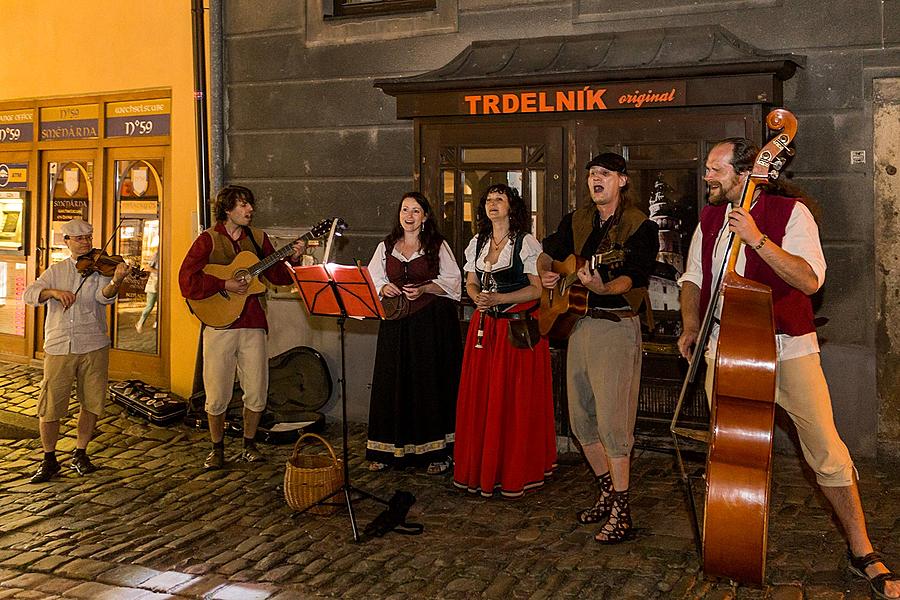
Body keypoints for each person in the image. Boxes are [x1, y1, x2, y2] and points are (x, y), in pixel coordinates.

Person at [677, 137, 898, 599]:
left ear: (746, 172)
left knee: (826, 450)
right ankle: (732, 544)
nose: (707, 178)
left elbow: (810, 278)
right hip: (726, 348)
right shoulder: (710, 218)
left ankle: (862, 551)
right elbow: (693, 278)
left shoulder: (790, 214)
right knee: (732, 455)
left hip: (788, 348)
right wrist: (691, 324)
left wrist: (757, 239)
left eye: (715, 170)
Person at [538, 152, 659, 543]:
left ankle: (622, 509)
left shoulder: (641, 227)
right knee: (581, 420)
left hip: (616, 326)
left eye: (604, 174)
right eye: (592, 174)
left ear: (622, 181)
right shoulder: (577, 219)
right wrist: (546, 271)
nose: (596, 180)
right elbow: (549, 251)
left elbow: (634, 278)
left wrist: (602, 287)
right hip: (577, 324)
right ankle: (607, 490)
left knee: (613, 424)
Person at [179, 185, 304, 470]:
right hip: (219, 324)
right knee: (217, 389)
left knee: (257, 388)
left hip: (253, 322)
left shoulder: (259, 239)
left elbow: (277, 275)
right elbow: (186, 280)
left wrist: (293, 258)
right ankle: (217, 448)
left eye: (250, 205)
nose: (249, 210)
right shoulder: (208, 241)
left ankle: (249, 445)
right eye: (243, 205)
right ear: (227, 209)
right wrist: (224, 283)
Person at [453, 183, 556, 498]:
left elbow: (538, 289)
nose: (492, 204)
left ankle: (513, 469)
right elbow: (470, 281)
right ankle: (482, 466)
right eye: (488, 199)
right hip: (485, 330)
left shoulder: (526, 243)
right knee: (482, 397)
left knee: (512, 399)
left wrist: (499, 297)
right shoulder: (478, 241)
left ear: (512, 207)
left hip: (515, 331)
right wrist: (478, 298)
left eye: (500, 199)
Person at [23, 218, 130, 483]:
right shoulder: (56, 270)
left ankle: (80, 453)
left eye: (89, 237)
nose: (86, 243)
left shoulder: (99, 269)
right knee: (51, 405)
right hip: (60, 344)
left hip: (93, 342)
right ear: (66, 241)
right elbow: (29, 294)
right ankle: (49, 458)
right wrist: (53, 293)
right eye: (79, 238)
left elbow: (103, 297)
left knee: (91, 401)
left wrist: (116, 281)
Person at [365, 192, 463, 474]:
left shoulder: (436, 246)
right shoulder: (386, 246)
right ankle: (387, 450)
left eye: (416, 211)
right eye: (405, 209)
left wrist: (424, 288)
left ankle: (436, 452)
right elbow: (373, 277)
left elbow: (452, 280)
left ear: (425, 216)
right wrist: (384, 287)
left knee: (427, 383)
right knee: (392, 382)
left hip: (429, 324)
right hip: (395, 325)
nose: (409, 215)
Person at [135, 249, 158, 333]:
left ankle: (157, 322)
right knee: (149, 306)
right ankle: (140, 323)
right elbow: (149, 267)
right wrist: (160, 272)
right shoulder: (157, 254)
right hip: (154, 284)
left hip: (163, 284)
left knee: (162, 306)